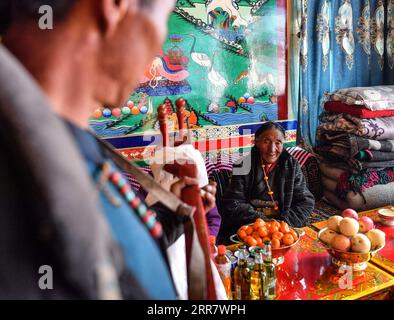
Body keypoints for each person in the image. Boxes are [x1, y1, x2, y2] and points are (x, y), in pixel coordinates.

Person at [0, 0, 217, 299]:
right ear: (115, 7)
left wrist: (171, 214)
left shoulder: (65, 142)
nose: (159, 44)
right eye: (164, 17)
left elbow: (113, 253)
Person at [219, 122, 315, 242]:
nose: (272, 149)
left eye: (278, 143)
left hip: (283, 231)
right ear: (256, 142)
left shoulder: (291, 165)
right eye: (266, 141)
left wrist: (282, 224)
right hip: (252, 231)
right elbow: (233, 203)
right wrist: (263, 223)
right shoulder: (242, 165)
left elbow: (306, 201)